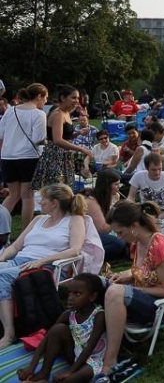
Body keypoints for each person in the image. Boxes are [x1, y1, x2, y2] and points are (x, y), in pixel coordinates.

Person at [101, 201, 164, 375]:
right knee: (98, 283)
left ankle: (110, 361)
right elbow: (147, 270)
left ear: (134, 226)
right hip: (149, 300)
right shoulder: (137, 243)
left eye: (120, 232)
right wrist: (129, 276)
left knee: (116, 292)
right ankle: (94, 345)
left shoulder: (159, 246)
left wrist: (133, 290)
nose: (118, 237)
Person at [0, 183, 86, 348]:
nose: (40, 203)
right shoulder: (38, 219)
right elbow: (16, 246)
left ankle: (9, 334)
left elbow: (75, 250)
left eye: (44, 199)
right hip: (20, 261)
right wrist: (3, 257)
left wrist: (43, 261)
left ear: (54, 203)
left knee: (2, 276)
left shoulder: (74, 220)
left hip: (46, 268)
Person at [17, 273, 107, 382]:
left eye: (77, 294)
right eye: (70, 293)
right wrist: (32, 366)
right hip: (75, 356)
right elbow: (47, 337)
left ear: (92, 297)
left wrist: (71, 371)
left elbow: (90, 348)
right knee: (57, 329)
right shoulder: (69, 314)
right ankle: (44, 374)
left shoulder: (99, 315)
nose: (70, 298)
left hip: (93, 361)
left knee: (66, 380)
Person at [0, 83, 48, 229]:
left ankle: (1, 227)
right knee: (28, 196)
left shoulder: (10, 111)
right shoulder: (39, 114)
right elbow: (38, 138)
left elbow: (1, 134)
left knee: (12, 195)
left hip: (8, 157)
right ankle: (25, 232)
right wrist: (47, 140)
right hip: (29, 157)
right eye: (45, 98)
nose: (46, 101)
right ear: (39, 96)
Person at [31, 85, 93, 190]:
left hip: (65, 156)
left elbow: (65, 136)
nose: (76, 101)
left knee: (66, 191)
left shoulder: (67, 113)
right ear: (63, 98)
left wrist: (78, 133)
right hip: (55, 157)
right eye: (73, 98)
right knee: (57, 191)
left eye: (77, 98)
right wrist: (81, 149)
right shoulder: (57, 114)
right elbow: (58, 140)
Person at [87, 168, 128, 261]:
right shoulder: (92, 202)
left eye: (119, 184)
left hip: (110, 229)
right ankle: (90, 258)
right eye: (116, 184)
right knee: (119, 243)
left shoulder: (115, 196)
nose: (119, 187)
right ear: (107, 186)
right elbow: (103, 229)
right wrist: (119, 217)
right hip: (92, 234)